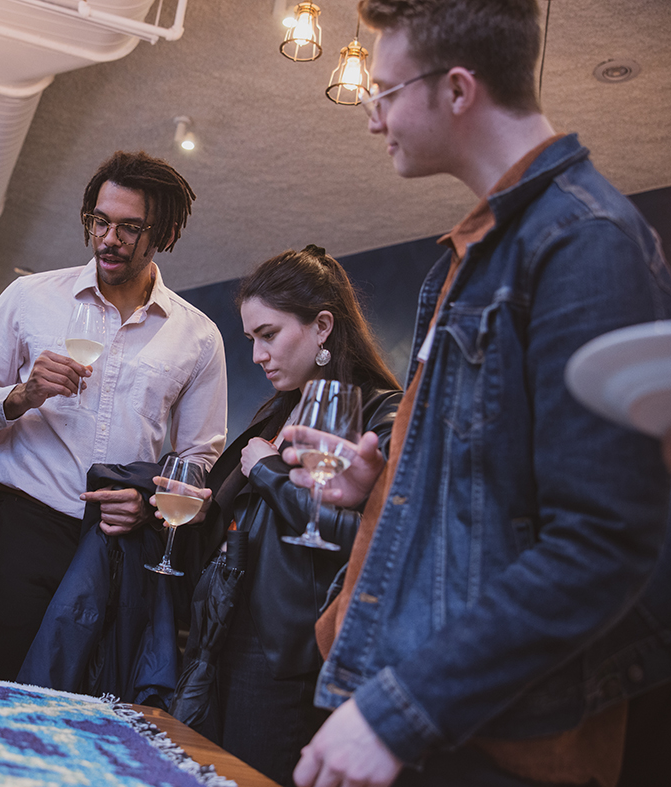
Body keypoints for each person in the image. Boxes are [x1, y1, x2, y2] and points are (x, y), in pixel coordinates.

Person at [284, 2, 671, 785]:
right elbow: (494, 493)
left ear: (457, 90)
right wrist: (378, 485)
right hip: (440, 712)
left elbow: (604, 541)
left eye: (384, 92)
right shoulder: (471, 254)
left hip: (502, 735)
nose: (373, 120)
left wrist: (400, 712)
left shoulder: (588, 241)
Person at [0, 150, 228, 681]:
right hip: (22, 529)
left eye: (131, 228)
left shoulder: (198, 336)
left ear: (166, 235)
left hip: (116, 541)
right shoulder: (29, 297)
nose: (110, 238)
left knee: (84, 705)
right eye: (101, 222)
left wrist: (151, 505)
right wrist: (21, 396)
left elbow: (199, 458)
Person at [177, 246, 401, 786]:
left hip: (289, 655)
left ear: (322, 326)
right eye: (252, 337)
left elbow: (377, 543)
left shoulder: (382, 414)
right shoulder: (277, 412)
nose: (255, 354)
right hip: (222, 637)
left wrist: (271, 473)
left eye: (268, 335)